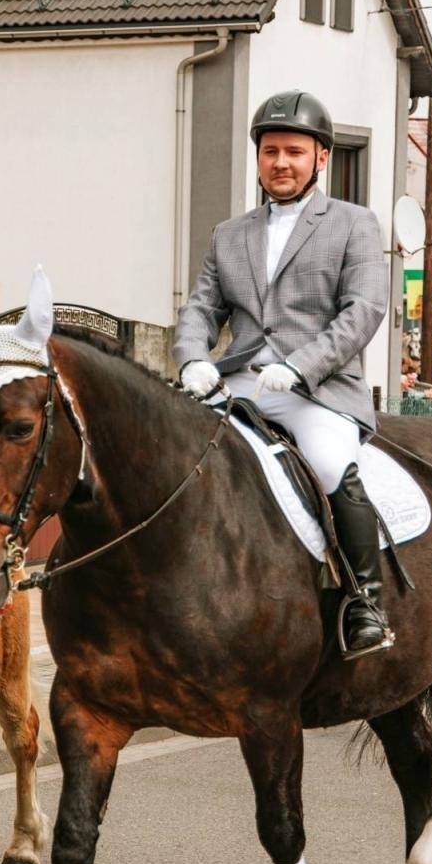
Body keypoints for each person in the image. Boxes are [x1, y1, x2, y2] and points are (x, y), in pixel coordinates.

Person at [173, 89, 392, 659]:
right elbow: (201, 308)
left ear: (322, 157)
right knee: (174, 455)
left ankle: (365, 602)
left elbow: (363, 310)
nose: (281, 163)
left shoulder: (355, 224)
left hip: (318, 390)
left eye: (294, 151)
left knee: (329, 463)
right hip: (238, 382)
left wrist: (300, 366)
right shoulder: (229, 233)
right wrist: (192, 357)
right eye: (270, 151)